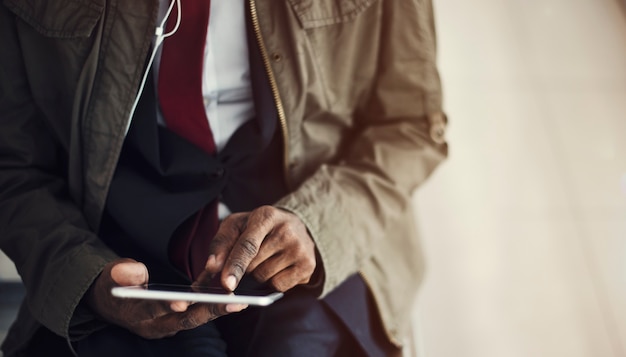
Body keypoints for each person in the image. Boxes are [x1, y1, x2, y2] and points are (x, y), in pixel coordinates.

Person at [0, 0, 448, 356]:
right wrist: (82, 274)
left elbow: (409, 127)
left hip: (321, 249)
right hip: (105, 243)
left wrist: (319, 226)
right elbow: (12, 163)